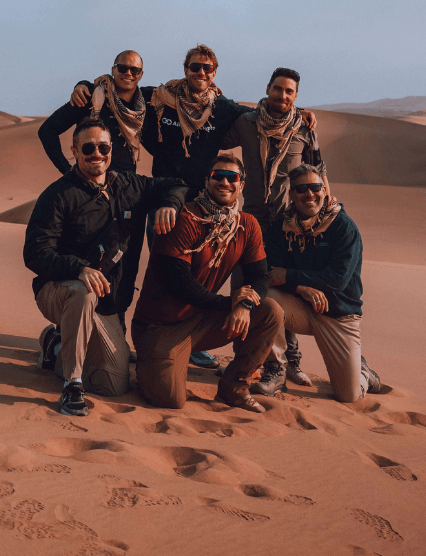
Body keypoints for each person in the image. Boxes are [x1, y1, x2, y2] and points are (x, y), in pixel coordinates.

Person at [70, 46, 315, 369]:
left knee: (202, 275)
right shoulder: (159, 98)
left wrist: (300, 113)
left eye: (208, 69)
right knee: (160, 273)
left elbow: (262, 116)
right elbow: (122, 86)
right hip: (163, 203)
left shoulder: (224, 108)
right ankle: (142, 336)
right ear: (185, 69)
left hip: (205, 208)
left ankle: (193, 340)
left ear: (215, 73)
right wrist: (86, 83)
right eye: (196, 67)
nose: (202, 74)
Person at [23, 118, 187, 416]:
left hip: (107, 302)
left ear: (111, 150)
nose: (96, 153)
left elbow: (175, 184)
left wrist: (170, 205)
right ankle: (72, 386)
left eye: (103, 147)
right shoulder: (58, 195)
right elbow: (35, 253)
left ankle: (56, 346)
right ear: (74, 151)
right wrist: (78, 269)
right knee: (83, 293)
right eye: (88, 147)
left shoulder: (130, 185)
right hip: (59, 291)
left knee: (113, 384)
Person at [131, 153, 283, 412]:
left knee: (270, 312)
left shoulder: (246, 225)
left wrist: (244, 305)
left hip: (200, 320)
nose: (225, 182)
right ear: (207, 181)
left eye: (232, 177)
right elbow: (179, 283)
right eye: (218, 176)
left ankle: (234, 387)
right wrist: (228, 303)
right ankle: (147, 367)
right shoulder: (186, 218)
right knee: (169, 399)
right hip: (158, 327)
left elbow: (259, 275)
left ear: (241, 184)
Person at [221, 67, 323, 386]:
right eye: (278, 89)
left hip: (288, 228)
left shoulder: (304, 128)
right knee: (242, 289)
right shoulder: (246, 123)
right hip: (250, 221)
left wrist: (319, 218)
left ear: (296, 96)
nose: (282, 96)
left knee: (282, 295)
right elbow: (216, 136)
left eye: (289, 91)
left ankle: (289, 362)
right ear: (267, 89)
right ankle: (247, 359)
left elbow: (317, 173)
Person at [251, 163, 381, 401]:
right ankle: (277, 370)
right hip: (300, 308)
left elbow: (337, 280)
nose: (309, 194)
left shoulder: (343, 227)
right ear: (292, 194)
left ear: (324, 190)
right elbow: (272, 273)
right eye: (301, 189)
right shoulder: (282, 226)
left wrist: (291, 277)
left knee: (349, 395)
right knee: (265, 298)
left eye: (315, 187)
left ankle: (363, 371)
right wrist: (301, 288)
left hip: (337, 314)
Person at [38, 51, 147, 323]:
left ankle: (114, 327)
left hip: (126, 196)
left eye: (135, 70)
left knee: (125, 263)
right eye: (123, 68)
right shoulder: (91, 98)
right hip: (89, 196)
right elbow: (47, 130)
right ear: (113, 69)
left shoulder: (145, 104)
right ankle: (74, 324)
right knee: (90, 260)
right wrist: (69, 172)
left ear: (141, 75)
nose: (129, 74)